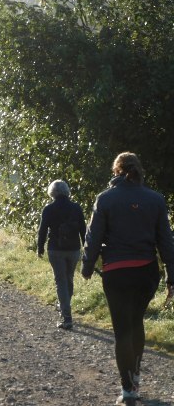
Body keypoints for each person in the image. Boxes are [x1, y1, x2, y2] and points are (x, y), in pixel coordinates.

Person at [81, 152, 174, 405]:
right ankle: (136, 375)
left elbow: (93, 236)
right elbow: (166, 240)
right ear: (138, 171)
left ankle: (128, 389)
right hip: (146, 272)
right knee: (136, 322)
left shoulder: (105, 199)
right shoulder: (156, 199)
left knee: (122, 329)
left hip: (117, 272)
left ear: (116, 171)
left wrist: (87, 266)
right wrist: (171, 274)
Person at [37, 179, 86, 330]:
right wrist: (87, 247)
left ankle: (67, 317)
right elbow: (83, 230)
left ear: (52, 192)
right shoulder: (76, 208)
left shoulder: (49, 209)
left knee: (61, 281)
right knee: (69, 279)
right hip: (74, 249)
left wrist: (40, 247)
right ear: (67, 191)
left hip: (55, 249)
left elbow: (42, 230)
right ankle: (64, 306)